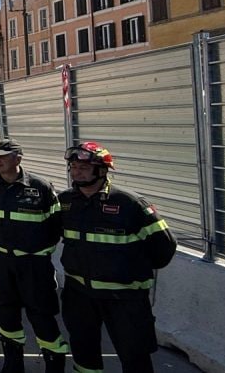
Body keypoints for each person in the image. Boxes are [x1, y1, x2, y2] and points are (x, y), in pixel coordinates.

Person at [59, 142, 176, 373]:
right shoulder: (65, 202)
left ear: (102, 170)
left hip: (124, 297)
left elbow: (164, 247)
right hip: (79, 294)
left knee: (134, 354)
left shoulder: (130, 204)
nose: (76, 171)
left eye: (83, 167)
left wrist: (130, 270)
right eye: (73, 166)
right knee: (83, 350)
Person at [0, 138, 68, 373]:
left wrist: (38, 251)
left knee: (42, 315)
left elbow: (56, 226)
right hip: (0, 262)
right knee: (7, 311)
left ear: (18, 159)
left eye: (3, 156)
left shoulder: (41, 187)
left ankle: (54, 363)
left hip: (33, 264)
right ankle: (13, 362)